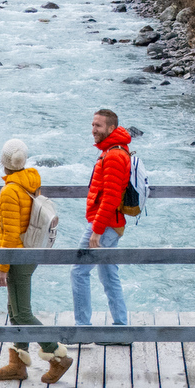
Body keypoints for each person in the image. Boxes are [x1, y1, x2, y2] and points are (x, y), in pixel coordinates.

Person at [0, 138, 72, 383]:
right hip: (31, 251)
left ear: (4, 163)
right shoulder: (30, 182)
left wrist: (2, 267)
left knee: (22, 313)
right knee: (14, 311)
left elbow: (10, 233)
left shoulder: (9, 191)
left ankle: (57, 356)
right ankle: (17, 363)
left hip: (18, 256)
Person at [72, 108, 132, 343]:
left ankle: (83, 330)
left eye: (98, 126)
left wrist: (96, 229)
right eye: (93, 125)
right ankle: (121, 330)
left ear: (110, 128)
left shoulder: (114, 155)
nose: (93, 130)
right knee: (108, 274)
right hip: (109, 222)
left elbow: (111, 197)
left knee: (78, 271)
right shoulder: (112, 151)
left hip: (105, 223)